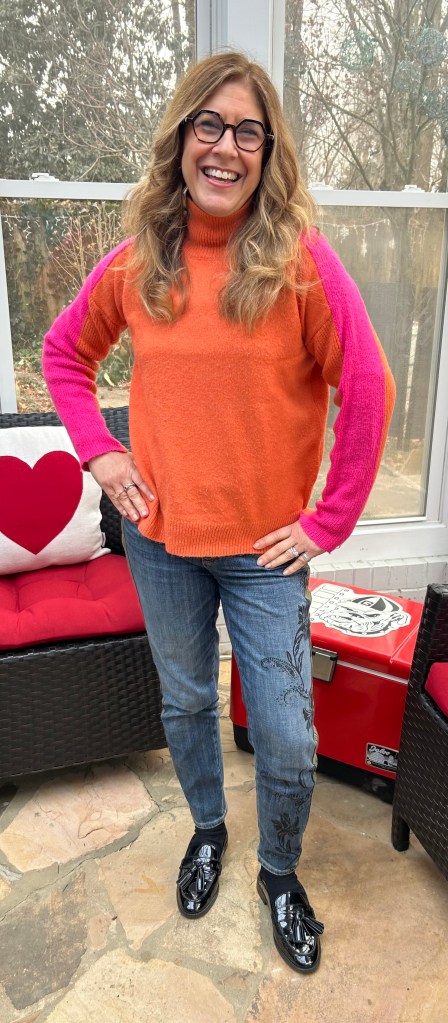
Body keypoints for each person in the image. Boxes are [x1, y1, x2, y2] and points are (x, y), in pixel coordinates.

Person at [43, 51, 395, 974]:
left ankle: (279, 868)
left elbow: (367, 385)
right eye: (209, 124)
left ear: (267, 150)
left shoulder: (300, 263)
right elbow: (65, 355)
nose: (225, 147)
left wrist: (326, 523)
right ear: (181, 137)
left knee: (286, 735)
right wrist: (102, 451)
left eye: (247, 130)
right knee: (189, 699)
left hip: (266, 554)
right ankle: (208, 828)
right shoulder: (139, 261)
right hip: (160, 539)